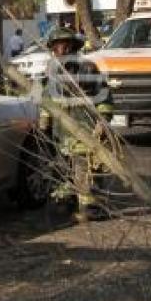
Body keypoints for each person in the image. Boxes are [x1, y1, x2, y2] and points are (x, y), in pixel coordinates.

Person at [40, 27, 113, 222]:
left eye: (66, 45)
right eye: (58, 46)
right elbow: (46, 97)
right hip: (60, 130)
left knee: (86, 167)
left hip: (85, 127)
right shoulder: (51, 71)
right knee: (62, 166)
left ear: (73, 46)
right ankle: (66, 200)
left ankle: (91, 205)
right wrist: (44, 121)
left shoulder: (88, 69)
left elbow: (104, 96)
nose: (62, 49)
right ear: (53, 48)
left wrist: (103, 121)